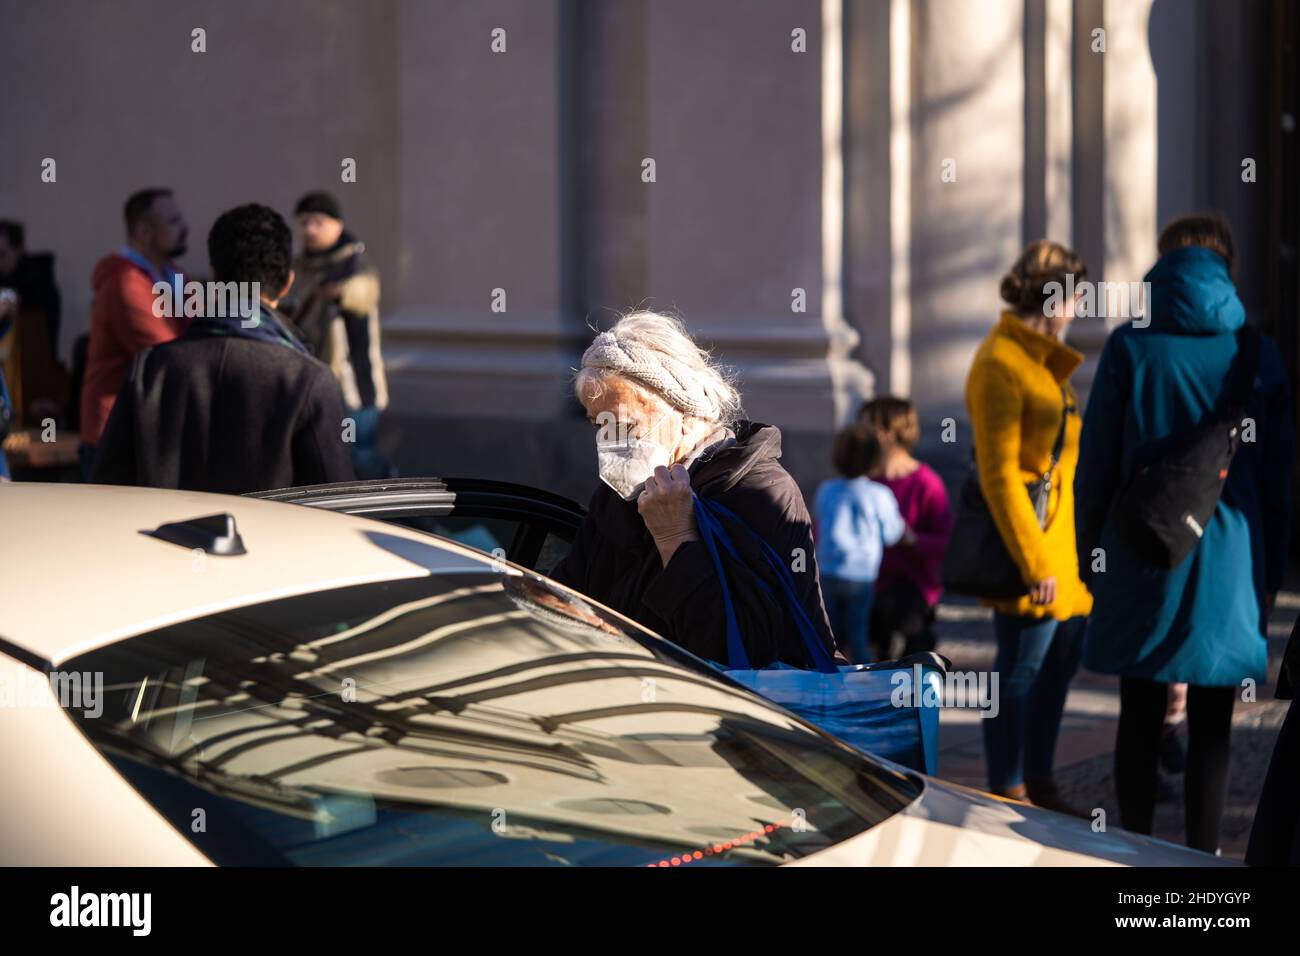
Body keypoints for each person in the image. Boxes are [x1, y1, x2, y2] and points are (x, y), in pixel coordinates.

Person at [1075, 213, 1293, 853]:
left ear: (1164, 262)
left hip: (1143, 548)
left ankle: (1135, 854)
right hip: (1230, 559)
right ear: (1224, 265)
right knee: (1214, 725)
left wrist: (1094, 559)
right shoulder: (1256, 351)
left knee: (1139, 714)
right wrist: (1269, 575)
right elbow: (1278, 483)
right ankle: (1203, 859)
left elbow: (1096, 468)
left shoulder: (1129, 345)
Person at [548, 310, 837, 669]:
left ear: (685, 415)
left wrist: (676, 537)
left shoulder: (760, 491)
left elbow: (746, 651)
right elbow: (571, 594)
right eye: (599, 425)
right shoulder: (619, 493)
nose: (610, 441)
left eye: (624, 425)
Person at [93, 203, 355, 494]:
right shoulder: (308, 380)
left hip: (160, 538)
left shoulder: (150, 368)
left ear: (215, 276)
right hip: (271, 540)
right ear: (286, 284)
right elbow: (336, 501)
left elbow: (109, 487)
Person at [966, 239, 1092, 814]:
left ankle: (1039, 781)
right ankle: (1007, 788)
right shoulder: (1000, 362)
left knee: (1056, 671)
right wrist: (1036, 563)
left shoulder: (1038, 358)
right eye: (1076, 298)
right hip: (1034, 553)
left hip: (1065, 550)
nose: (1080, 308)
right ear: (1055, 297)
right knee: (1019, 676)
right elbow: (999, 475)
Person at [281, 191, 391, 479]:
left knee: (360, 458)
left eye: (318, 222)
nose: (309, 230)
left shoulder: (355, 264)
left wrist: (341, 290)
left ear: (337, 225)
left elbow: (365, 292)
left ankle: (398, 502)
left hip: (353, 385)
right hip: (310, 381)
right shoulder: (298, 267)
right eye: (303, 222)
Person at [80, 189, 189, 480]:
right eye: (174, 221)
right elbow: (169, 351)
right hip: (115, 432)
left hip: (146, 426)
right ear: (144, 231)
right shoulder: (124, 283)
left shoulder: (171, 274)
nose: (185, 227)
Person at [861, 396, 953, 660]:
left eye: (868, 428)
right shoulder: (864, 480)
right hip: (868, 585)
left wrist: (911, 539)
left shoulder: (926, 482)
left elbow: (945, 544)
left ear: (888, 433)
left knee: (905, 625)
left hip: (910, 587)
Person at [813, 422, 909, 663]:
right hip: (861, 575)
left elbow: (818, 522)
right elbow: (892, 534)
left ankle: (825, 673)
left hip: (827, 570)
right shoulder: (879, 495)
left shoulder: (826, 489)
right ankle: (861, 678)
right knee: (858, 633)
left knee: (828, 633)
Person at [0, 219, 65, 428]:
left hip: (34, 382)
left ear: (19, 250)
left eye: (2, 254)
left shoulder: (38, 285)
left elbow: (41, 337)